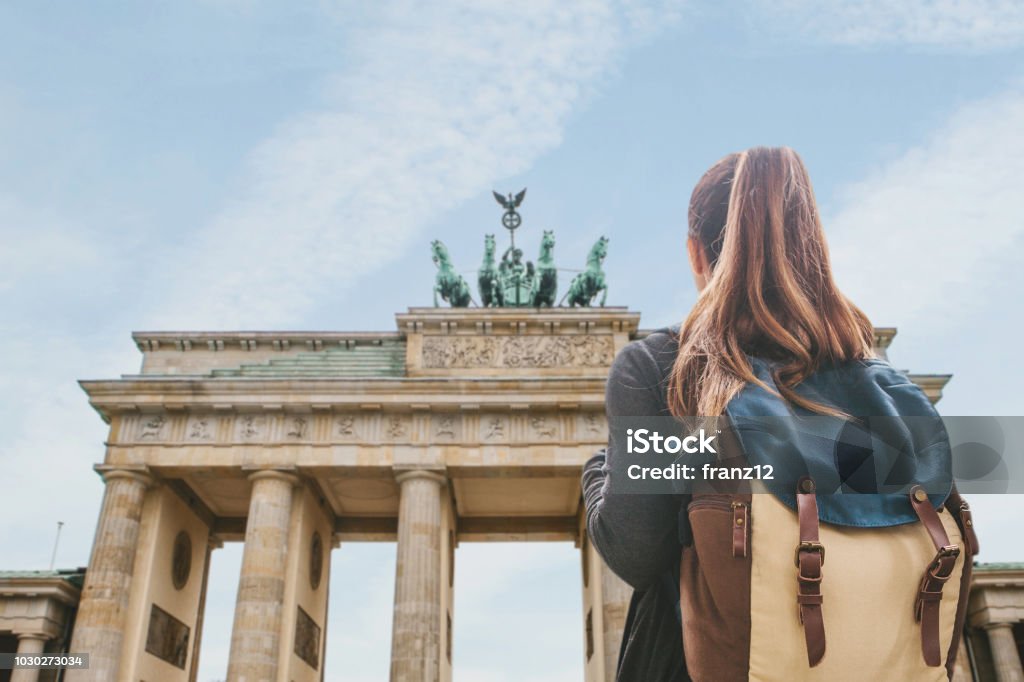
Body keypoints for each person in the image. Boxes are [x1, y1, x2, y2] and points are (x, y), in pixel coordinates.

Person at [581, 147, 976, 681]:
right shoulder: (878, 381)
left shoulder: (665, 370)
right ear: (811, 246)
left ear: (697, 254)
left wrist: (600, 470)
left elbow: (636, 551)